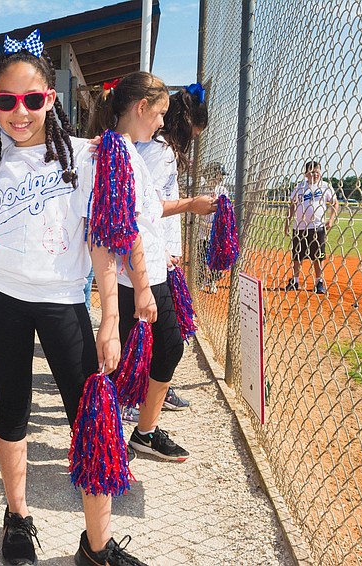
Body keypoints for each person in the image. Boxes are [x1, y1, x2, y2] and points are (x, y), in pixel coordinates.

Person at [0, 32, 160, 566]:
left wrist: (109, 318)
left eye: (32, 99)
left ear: (50, 98)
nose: (20, 112)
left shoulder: (85, 156)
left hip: (62, 301)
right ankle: (17, 518)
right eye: (7, 100)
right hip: (1, 299)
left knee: (91, 417)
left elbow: (103, 240)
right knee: (12, 409)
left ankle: (97, 546)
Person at [92, 78, 215, 463]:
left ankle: (137, 433)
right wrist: (143, 287)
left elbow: (150, 208)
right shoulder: (121, 153)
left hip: (147, 271)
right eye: (159, 113)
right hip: (137, 276)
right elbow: (127, 225)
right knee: (123, 360)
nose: (163, 122)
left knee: (164, 349)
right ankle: (106, 440)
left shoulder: (128, 150)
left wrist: (191, 204)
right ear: (141, 108)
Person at [133, 83, 209, 416]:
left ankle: (150, 390)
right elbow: (144, 207)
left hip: (156, 254)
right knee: (161, 338)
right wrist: (163, 248)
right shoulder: (160, 151)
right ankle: (138, 395)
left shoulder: (162, 150)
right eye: (194, 134)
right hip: (149, 256)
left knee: (159, 336)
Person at [285, 160, 338, 293]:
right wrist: (287, 223)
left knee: (318, 256)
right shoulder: (299, 187)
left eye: (317, 172)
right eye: (312, 172)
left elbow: (335, 203)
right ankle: (295, 281)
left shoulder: (325, 186)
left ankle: (319, 282)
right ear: (306, 174)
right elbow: (292, 206)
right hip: (299, 227)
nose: (315, 175)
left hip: (317, 226)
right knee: (297, 255)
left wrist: (331, 219)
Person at [197, 161, 228, 293]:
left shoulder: (222, 191)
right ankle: (201, 280)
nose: (220, 179)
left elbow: (224, 211)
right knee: (201, 257)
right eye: (219, 175)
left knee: (215, 258)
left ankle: (213, 281)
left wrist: (215, 226)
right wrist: (204, 224)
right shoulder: (201, 190)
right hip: (202, 230)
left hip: (215, 231)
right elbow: (196, 212)